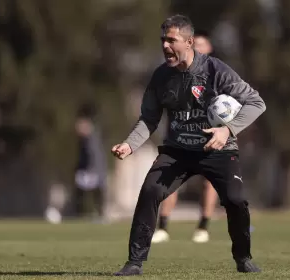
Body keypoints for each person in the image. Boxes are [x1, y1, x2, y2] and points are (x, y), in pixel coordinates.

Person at [111, 15, 266, 276]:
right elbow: (148, 119)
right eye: (163, 40)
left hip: (218, 150)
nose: (165, 46)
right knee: (150, 191)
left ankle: (243, 257)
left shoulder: (216, 71)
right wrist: (129, 145)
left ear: (190, 42)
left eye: (172, 40)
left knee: (236, 200)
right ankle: (134, 262)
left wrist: (227, 129)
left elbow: (257, 103)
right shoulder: (161, 76)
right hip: (178, 151)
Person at [152, 31, 219, 244]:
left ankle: (203, 226)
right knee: (171, 181)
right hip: (179, 138)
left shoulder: (218, 74)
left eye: (202, 44)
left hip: (208, 137)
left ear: (209, 49)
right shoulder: (174, 75)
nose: (197, 48)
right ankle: (162, 227)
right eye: (194, 44)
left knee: (209, 182)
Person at [74, 103, 107, 220]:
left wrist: (92, 169)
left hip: (93, 170)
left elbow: (95, 156)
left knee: (96, 192)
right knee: (82, 192)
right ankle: (82, 213)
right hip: (88, 169)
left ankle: (99, 214)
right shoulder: (84, 140)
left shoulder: (92, 139)